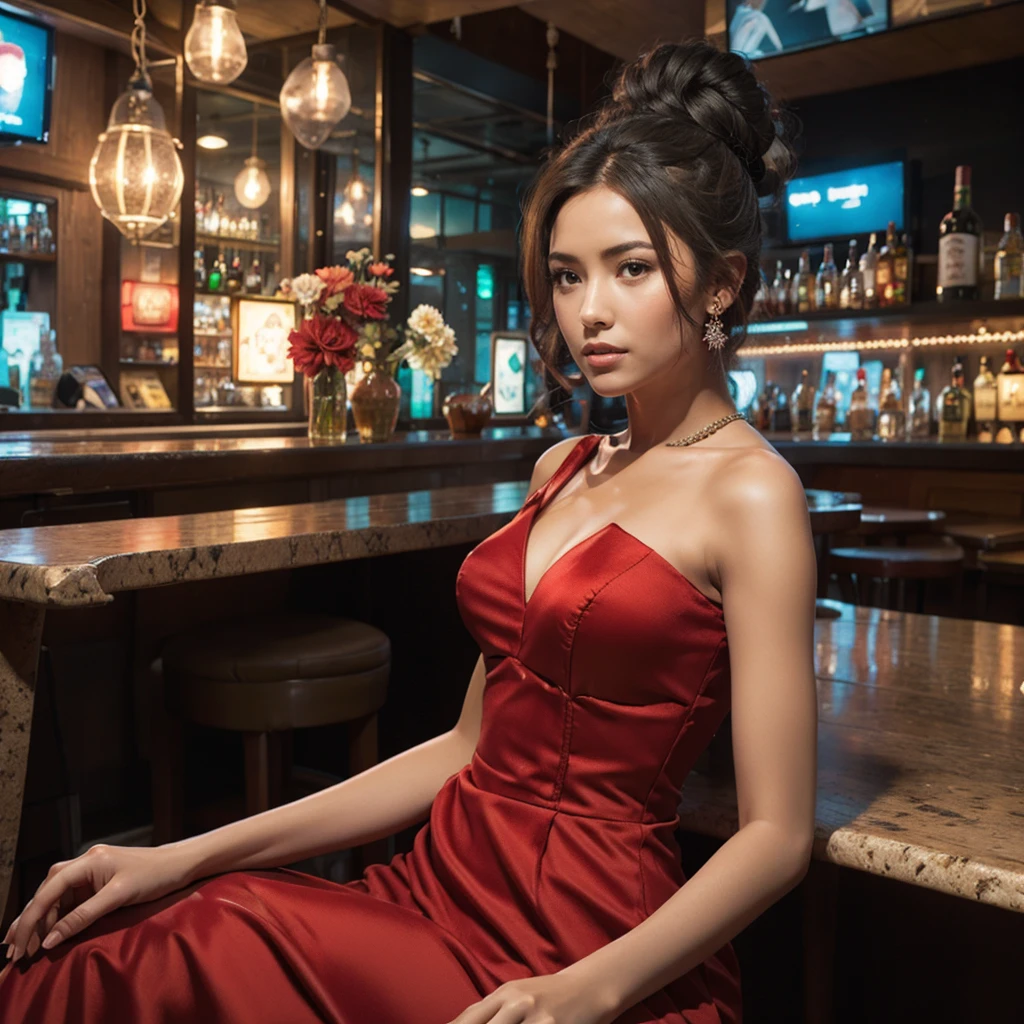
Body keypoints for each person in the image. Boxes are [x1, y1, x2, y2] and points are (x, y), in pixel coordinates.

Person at [0, 39, 817, 1024]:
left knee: (174, 953)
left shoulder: (752, 494)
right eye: (565, 277)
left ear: (720, 283)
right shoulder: (560, 468)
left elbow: (776, 833)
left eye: (629, 269)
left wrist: (580, 992)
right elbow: (466, 747)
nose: (589, 311)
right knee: (127, 946)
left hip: (593, 947)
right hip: (435, 894)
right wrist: (179, 853)